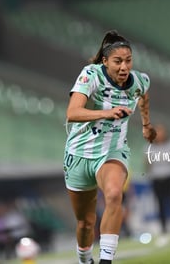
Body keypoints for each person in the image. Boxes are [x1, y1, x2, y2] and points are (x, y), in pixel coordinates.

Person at [63, 30, 156, 264]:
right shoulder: (90, 75)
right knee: (86, 222)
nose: (124, 67)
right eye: (118, 61)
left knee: (115, 194)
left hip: (112, 152)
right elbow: (72, 113)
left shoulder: (140, 80)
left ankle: (106, 260)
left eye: (128, 60)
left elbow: (143, 96)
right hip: (79, 154)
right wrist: (107, 113)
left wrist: (146, 125)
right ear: (105, 61)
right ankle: (85, 259)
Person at [144, 123, 170, 247]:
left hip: (169, 178)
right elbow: (147, 163)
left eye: (161, 131)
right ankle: (164, 234)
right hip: (157, 179)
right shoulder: (149, 147)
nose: (160, 134)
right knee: (160, 206)